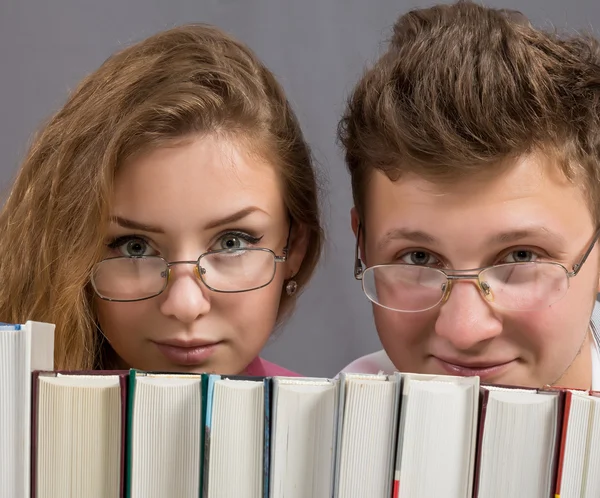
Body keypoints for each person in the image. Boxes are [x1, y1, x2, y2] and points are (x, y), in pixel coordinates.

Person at [0, 24, 323, 376]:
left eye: (232, 243)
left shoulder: (329, 428)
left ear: (295, 246)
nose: (184, 306)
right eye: (135, 247)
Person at [338, 0, 600, 390]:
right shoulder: (332, 437)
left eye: (521, 256)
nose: (465, 330)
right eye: (419, 258)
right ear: (363, 247)